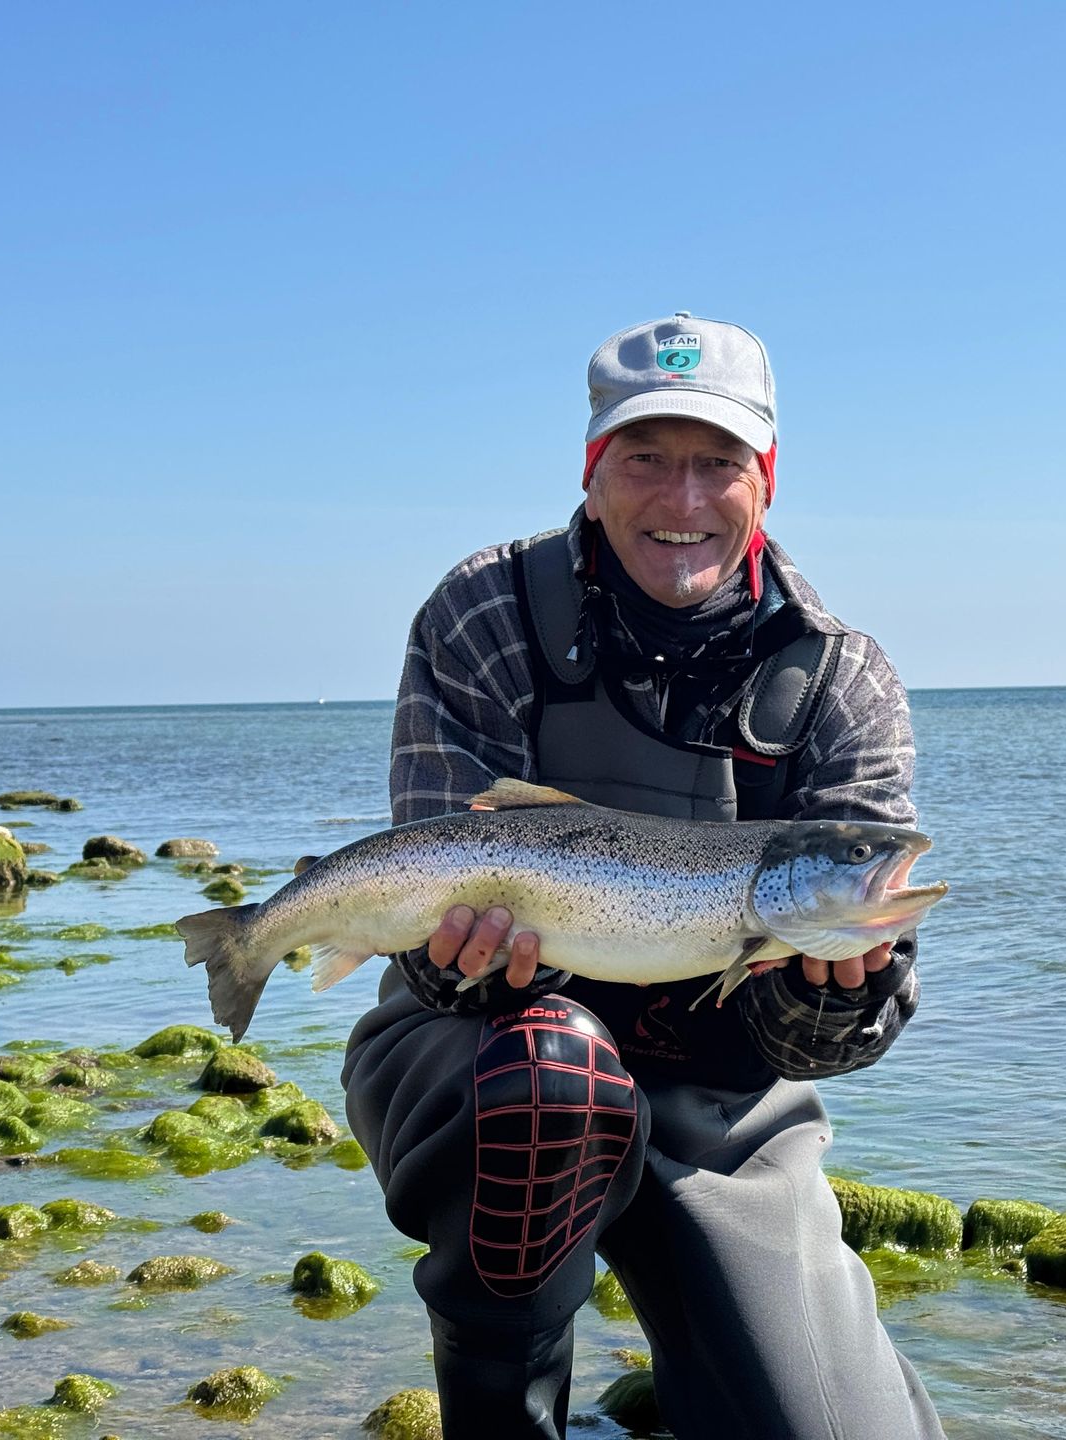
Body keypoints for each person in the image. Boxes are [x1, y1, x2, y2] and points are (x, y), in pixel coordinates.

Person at [342, 313, 946, 1440]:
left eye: (719, 463)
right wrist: (464, 963)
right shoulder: (485, 612)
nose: (683, 500)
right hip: (482, 1052)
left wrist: (836, 990)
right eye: (646, 459)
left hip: (721, 1096)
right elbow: (432, 884)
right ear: (593, 468)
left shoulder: (840, 675)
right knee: (550, 1076)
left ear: (765, 479)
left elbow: (839, 1046)